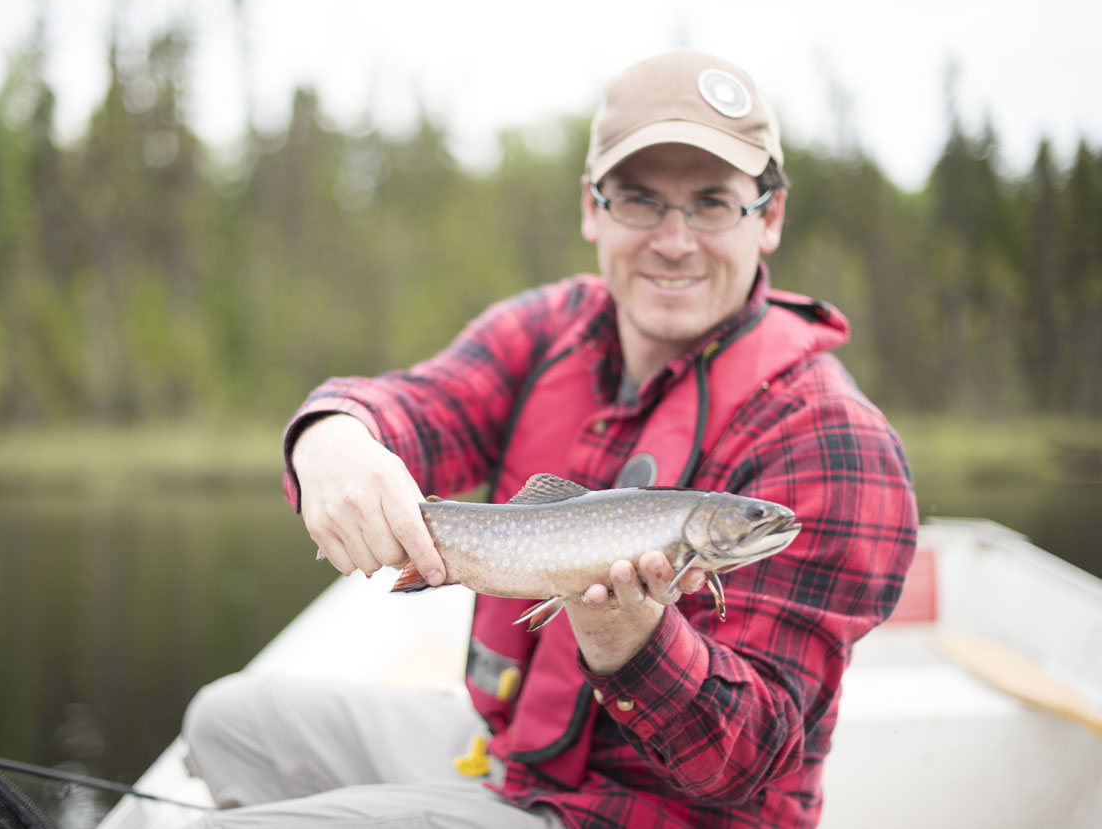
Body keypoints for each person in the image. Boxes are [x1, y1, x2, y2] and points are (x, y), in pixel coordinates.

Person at [182, 49, 918, 828]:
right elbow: (417, 403)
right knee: (226, 721)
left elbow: (746, 762)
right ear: (593, 209)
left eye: (710, 204)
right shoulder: (550, 330)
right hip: (518, 757)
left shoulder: (835, 440)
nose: (674, 241)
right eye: (640, 201)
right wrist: (330, 436)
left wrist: (628, 633)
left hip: (650, 815)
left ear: (767, 217)